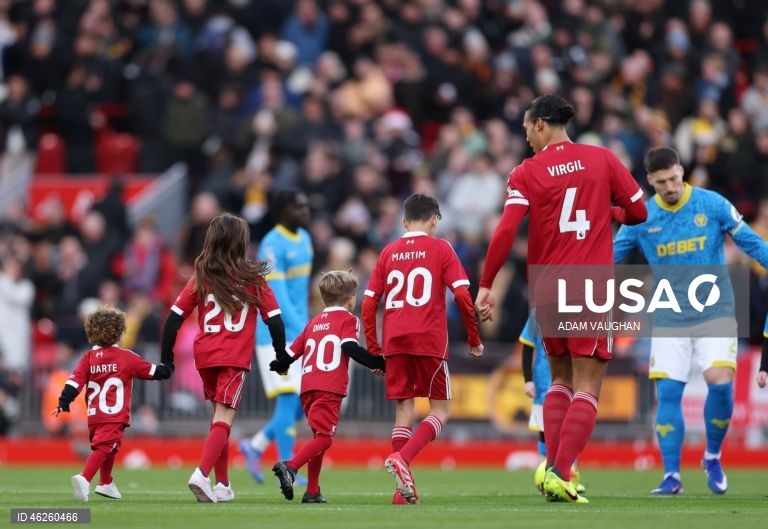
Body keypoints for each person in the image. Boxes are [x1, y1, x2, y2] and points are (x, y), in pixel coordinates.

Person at [475, 94, 647, 504]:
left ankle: (554, 468)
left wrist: (485, 283)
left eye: (526, 129)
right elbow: (639, 213)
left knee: (560, 380)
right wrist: (609, 212)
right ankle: (560, 472)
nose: (526, 138)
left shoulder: (526, 172)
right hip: (590, 286)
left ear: (540, 124)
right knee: (588, 385)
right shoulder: (602, 158)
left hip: (547, 288)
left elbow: (505, 230)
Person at [613, 146, 768, 495]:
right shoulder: (641, 218)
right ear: (650, 182)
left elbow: (750, 241)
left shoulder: (711, 204)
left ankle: (712, 456)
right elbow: (609, 259)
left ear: (682, 171)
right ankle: (672, 476)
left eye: (673, 178)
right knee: (668, 392)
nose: (669, 187)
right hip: (670, 315)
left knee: (720, 382)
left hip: (716, 310)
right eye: (661, 182)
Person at [361, 193, 484, 505]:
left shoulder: (388, 251)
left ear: (404, 221)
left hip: (395, 341)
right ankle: (402, 459)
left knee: (404, 410)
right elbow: (462, 295)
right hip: (428, 340)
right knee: (441, 410)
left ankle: (401, 492)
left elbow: (369, 304)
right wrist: (474, 337)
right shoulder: (441, 248)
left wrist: (374, 349)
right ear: (435, 220)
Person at [161, 212, 287, 503]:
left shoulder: (202, 276)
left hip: (205, 356)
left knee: (218, 419)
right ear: (241, 243)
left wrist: (167, 358)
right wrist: (281, 355)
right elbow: (275, 321)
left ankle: (223, 484)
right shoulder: (253, 278)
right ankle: (201, 474)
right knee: (224, 418)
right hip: (233, 357)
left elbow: (173, 319)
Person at [270, 270, 386, 503]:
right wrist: (378, 362)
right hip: (329, 386)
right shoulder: (349, 320)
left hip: (307, 388)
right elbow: (349, 347)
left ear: (323, 300)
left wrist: (279, 365)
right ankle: (290, 467)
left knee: (318, 438)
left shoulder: (313, 323)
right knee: (325, 439)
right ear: (351, 299)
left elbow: (291, 353)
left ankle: (312, 491)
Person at [51, 306, 173, 502]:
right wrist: (168, 366)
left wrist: (64, 402)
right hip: (114, 415)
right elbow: (155, 372)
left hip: (94, 416)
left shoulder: (88, 358)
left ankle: (106, 482)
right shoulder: (126, 357)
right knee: (104, 447)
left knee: (111, 447)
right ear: (120, 332)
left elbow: (74, 383)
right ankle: (85, 478)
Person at [239, 189, 313, 484]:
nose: (305, 211)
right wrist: (307, 331)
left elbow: (300, 293)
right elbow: (278, 298)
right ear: (283, 211)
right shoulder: (271, 244)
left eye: (306, 206)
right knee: (288, 399)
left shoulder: (305, 239)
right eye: (299, 206)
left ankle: (254, 445)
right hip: (275, 335)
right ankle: (288, 469)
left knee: (301, 405)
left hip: (299, 330)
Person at [520, 310, 585, 496]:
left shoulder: (576, 313)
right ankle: (547, 473)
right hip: (543, 383)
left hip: (570, 381)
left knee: (569, 429)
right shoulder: (538, 314)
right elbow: (527, 347)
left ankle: (570, 475)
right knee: (545, 433)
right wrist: (528, 380)